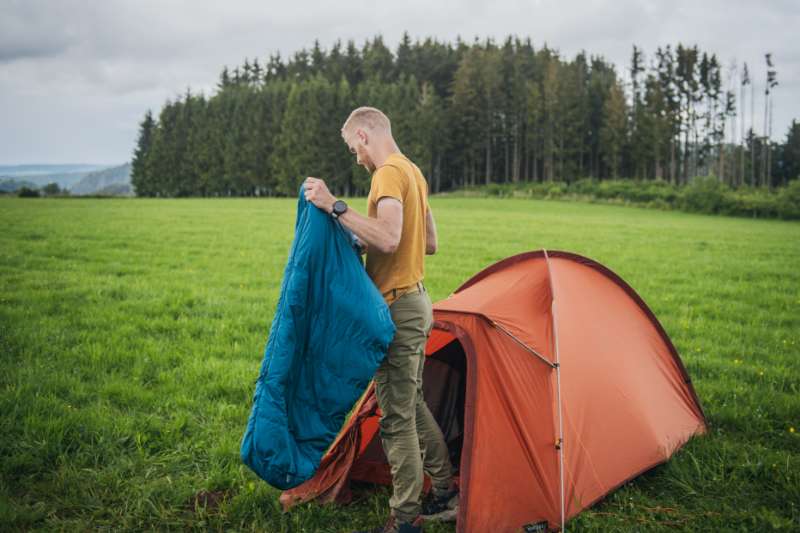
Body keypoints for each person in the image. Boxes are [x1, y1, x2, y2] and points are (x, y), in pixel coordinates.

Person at [303, 107, 458, 533]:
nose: (356, 158)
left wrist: (335, 206)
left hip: (399, 307)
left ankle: (405, 519)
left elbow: (389, 238)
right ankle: (445, 491)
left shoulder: (388, 173)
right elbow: (429, 242)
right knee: (411, 404)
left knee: (396, 417)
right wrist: (360, 237)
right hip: (417, 302)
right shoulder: (413, 172)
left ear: (364, 135)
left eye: (353, 148)